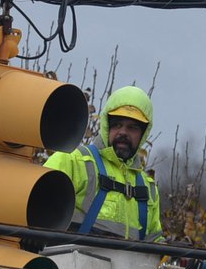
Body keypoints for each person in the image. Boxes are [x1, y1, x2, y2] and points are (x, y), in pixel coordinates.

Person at [45, 85, 163, 242]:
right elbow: (37, 203)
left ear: (143, 134)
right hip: (69, 263)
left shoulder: (148, 189)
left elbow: (155, 242)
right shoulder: (73, 160)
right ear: (107, 126)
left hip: (129, 266)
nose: (123, 132)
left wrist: (178, 256)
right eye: (117, 124)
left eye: (132, 127)